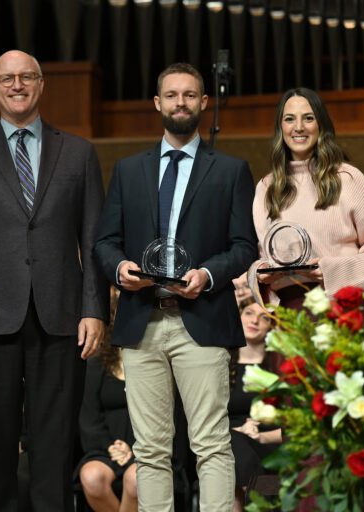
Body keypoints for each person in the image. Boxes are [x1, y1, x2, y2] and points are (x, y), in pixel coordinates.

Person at [0, 49, 109, 512]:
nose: (17, 85)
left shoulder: (79, 153)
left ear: (41, 84)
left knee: (54, 448)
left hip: (61, 320)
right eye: (6, 78)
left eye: (26, 76)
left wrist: (94, 309)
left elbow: (94, 242)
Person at [94, 62, 258, 511]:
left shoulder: (230, 170)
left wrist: (207, 275)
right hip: (140, 321)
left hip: (201, 320)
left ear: (204, 102)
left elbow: (245, 246)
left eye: (190, 95)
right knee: (149, 451)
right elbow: (104, 241)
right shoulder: (128, 171)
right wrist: (120, 267)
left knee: (211, 444)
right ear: (157, 103)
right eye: (171, 95)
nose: (180, 103)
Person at [252, 88, 364, 308]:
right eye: (290, 119)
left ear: (320, 125)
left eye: (308, 118)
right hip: (289, 314)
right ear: (280, 128)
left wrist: (334, 271)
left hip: (344, 307)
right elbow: (263, 255)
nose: (299, 127)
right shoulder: (266, 188)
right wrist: (258, 274)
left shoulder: (348, 179)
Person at [228, 299, 282, 512]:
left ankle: (264, 491)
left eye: (264, 317)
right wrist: (239, 430)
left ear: (271, 326)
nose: (255, 321)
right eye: (249, 313)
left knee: (238, 470)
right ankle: (263, 493)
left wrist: (259, 434)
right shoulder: (220, 363)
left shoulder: (279, 367)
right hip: (230, 436)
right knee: (232, 451)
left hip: (269, 440)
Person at [77, 342, 138, 512]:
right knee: (92, 477)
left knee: (136, 480)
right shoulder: (97, 362)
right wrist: (110, 447)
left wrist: (134, 449)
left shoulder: (154, 360)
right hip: (106, 448)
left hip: (145, 448)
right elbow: (90, 415)